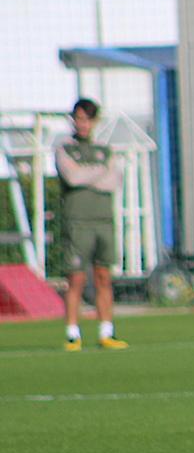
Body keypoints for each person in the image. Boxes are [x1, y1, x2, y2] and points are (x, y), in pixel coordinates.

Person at [54, 98, 129, 351]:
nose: (82, 124)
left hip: (103, 222)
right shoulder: (65, 148)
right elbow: (73, 177)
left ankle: (106, 332)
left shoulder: (105, 149)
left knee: (104, 277)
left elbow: (114, 181)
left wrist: (89, 173)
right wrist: (98, 171)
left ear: (95, 121)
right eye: (79, 118)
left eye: (87, 119)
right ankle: (72, 334)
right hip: (77, 223)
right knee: (75, 279)